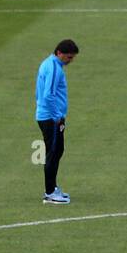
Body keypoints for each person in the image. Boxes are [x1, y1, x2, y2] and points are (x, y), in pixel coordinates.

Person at [35, 39, 79, 204]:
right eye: (68, 57)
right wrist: (57, 116)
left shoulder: (49, 64)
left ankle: (53, 188)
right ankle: (50, 193)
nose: (70, 60)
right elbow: (48, 95)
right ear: (59, 53)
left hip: (47, 116)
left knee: (57, 151)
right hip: (51, 118)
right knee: (53, 153)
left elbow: (39, 94)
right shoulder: (54, 69)